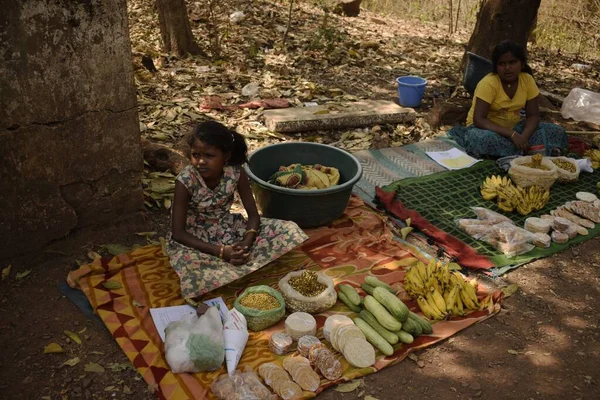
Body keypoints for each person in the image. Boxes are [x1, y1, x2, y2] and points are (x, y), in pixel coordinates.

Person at [167, 121, 308, 302]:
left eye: (209, 155)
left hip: (229, 228)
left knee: (289, 231)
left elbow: (253, 215)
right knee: (194, 274)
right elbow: (178, 233)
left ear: (226, 156)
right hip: (195, 238)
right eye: (195, 155)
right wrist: (220, 251)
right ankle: (232, 266)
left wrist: (246, 242)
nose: (200, 161)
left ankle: (235, 264)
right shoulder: (185, 181)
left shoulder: (235, 173)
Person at [449, 40, 568, 158]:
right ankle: (527, 151)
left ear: (522, 64)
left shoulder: (527, 80)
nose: (507, 68)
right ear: (496, 67)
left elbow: (533, 116)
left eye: (512, 62)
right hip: (485, 130)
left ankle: (514, 151)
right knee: (484, 140)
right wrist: (512, 135)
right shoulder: (489, 83)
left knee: (557, 131)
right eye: (502, 64)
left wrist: (523, 137)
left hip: (515, 128)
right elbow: (479, 120)